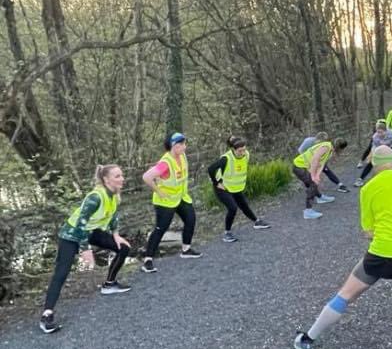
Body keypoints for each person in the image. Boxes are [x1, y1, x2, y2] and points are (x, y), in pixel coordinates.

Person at [293, 145, 392, 349]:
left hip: (383, 250)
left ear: (373, 163)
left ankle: (308, 340)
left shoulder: (368, 188)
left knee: (346, 294)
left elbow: (368, 231)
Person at [40, 165, 132, 334]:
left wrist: (116, 234)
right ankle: (47, 315)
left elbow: (113, 216)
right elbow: (81, 223)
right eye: (118, 176)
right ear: (106, 180)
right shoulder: (95, 197)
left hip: (91, 231)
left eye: (122, 175)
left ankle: (109, 284)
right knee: (61, 273)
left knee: (123, 247)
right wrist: (85, 249)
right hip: (71, 235)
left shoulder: (114, 195)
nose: (122, 178)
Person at [141, 133, 202, 272]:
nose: (185, 147)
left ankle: (186, 250)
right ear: (174, 146)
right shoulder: (165, 162)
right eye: (182, 145)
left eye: (185, 144)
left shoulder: (182, 156)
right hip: (165, 201)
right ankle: (147, 260)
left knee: (191, 219)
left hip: (180, 197)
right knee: (160, 229)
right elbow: (146, 177)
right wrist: (158, 190)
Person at [207, 136, 271, 243]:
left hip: (235, 187)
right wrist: (216, 182)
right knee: (233, 208)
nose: (243, 153)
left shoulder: (246, 155)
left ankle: (257, 222)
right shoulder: (226, 158)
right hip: (222, 188)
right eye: (240, 151)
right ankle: (227, 233)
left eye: (244, 150)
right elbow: (210, 169)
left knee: (244, 205)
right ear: (233, 150)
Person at [292, 136, 347, 219]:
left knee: (314, 182)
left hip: (303, 166)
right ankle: (308, 211)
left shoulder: (329, 150)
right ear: (340, 148)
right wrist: (313, 175)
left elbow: (321, 164)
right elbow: (315, 159)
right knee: (312, 184)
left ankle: (320, 198)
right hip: (299, 166)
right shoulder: (326, 147)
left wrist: (317, 176)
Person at [354, 120, 392, 186]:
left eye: (381, 132)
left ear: (385, 131)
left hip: (390, 148)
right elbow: (374, 148)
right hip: (379, 149)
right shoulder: (375, 137)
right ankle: (360, 179)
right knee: (371, 162)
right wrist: (373, 156)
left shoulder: (391, 133)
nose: (379, 134)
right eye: (378, 132)